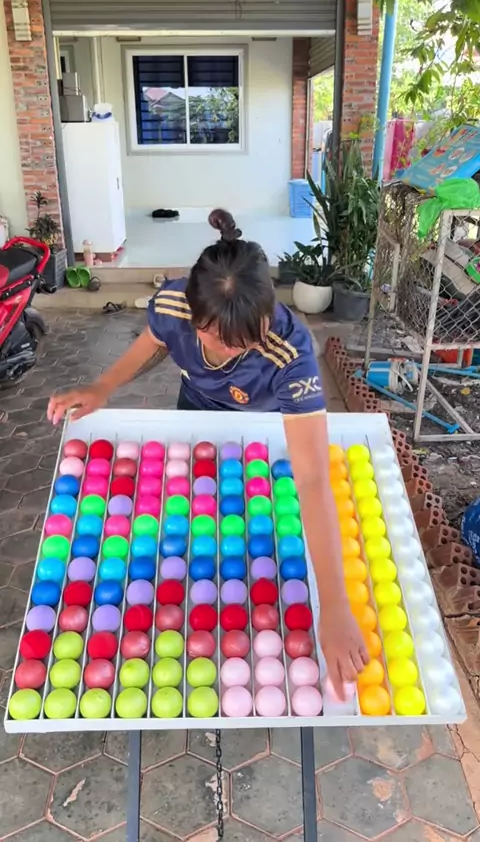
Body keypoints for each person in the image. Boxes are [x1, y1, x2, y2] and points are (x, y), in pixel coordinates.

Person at [48, 209, 368, 696]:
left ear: (268, 317)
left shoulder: (290, 352)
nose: (226, 351)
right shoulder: (173, 303)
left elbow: (312, 478)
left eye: (244, 342)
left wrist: (337, 607)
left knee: (252, 523)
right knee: (195, 512)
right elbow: (153, 342)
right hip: (197, 406)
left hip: (263, 424)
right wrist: (102, 386)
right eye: (213, 338)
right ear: (193, 315)